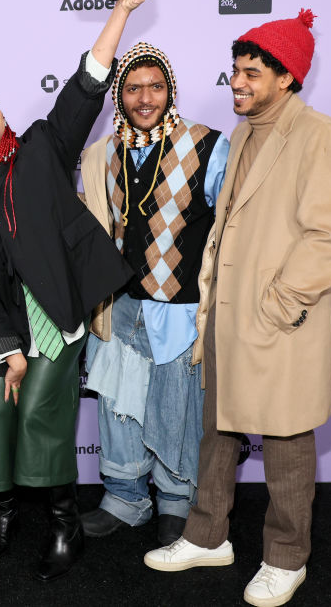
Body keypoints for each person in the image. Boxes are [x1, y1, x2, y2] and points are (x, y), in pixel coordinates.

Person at [0, 0, 154, 581]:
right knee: (0, 412)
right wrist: (4, 349)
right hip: (0, 329)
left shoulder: (39, 150)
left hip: (57, 318)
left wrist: (121, 11)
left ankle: (64, 523)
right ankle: (3, 510)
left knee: (37, 409)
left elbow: (85, 87)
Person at [143, 10, 331, 607]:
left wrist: (279, 304)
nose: (236, 82)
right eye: (234, 71)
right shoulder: (241, 134)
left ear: (286, 78)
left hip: (278, 319)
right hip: (227, 317)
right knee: (218, 433)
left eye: (251, 73)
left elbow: (329, 237)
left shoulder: (317, 134)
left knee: (286, 440)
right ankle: (208, 537)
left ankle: (288, 558)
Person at [78, 43, 229, 546]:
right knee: (119, 404)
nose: (146, 98)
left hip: (181, 310)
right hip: (120, 308)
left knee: (178, 407)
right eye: (134, 87)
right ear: (119, 95)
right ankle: (125, 498)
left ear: (171, 91)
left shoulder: (208, 145)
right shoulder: (103, 151)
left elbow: (234, 223)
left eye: (156, 87)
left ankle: (175, 500)